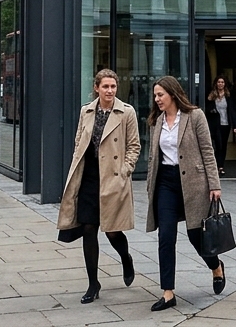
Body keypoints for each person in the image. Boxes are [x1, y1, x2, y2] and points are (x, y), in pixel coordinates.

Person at [58, 69, 140, 304]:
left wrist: (125, 170)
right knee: (88, 228)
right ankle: (93, 283)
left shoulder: (127, 112)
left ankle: (125, 258)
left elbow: (134, 145)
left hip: (113, 177)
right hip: (89, 177)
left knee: (113, 230)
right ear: (97, 88)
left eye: (113, 86)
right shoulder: (87, 111)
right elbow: (78, 141)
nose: (110, 90)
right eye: (105, 86)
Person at [146, 76, 225, 312]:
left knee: (196, 236)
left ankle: (216, 266)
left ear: (172, 93)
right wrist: (150, 186)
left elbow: (207, 151)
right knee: (166, 237)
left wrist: (215, 184)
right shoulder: (156, 121)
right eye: (155, 95)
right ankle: (168, 292)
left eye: (160, 94)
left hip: (193, 183)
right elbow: (153, 158)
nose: (157, 99)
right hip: (166, 184)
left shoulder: (195, 116)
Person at [205, 76, 236, 177]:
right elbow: (207, 108)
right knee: (218, 145)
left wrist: (235, 125)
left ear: (225, 84)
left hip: (226, 124)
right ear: (216, 83)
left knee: (223, 146)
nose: (220, 84)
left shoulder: (228, 96)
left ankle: (221, 166)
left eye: (222, 82)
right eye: (219, 82)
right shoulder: (211, 95)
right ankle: (217, 166)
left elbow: (232, 110)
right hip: (216, 124)